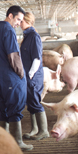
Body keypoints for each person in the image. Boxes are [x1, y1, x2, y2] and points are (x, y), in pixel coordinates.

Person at [0, 5, 33, 151]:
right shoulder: (8, 30)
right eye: (18, 19)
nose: (18, 23)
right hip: (11, 77)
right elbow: (13, 55)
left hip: (0, 75)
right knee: (15, 108)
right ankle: (18, 143)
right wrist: (21, 74)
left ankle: (3, 143)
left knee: (3, 109)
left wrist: (0, 69)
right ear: (10, 16)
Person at [20, 12, 49, 140]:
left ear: (28, 21)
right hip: (27, 75)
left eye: (21, 21)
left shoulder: (34, 36)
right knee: (30, 101)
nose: (19, 23)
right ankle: (35, 129)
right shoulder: (27, 36)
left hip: (33, 75)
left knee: (36, 102)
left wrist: (31, 74)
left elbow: (37, 58)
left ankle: (44, 131)